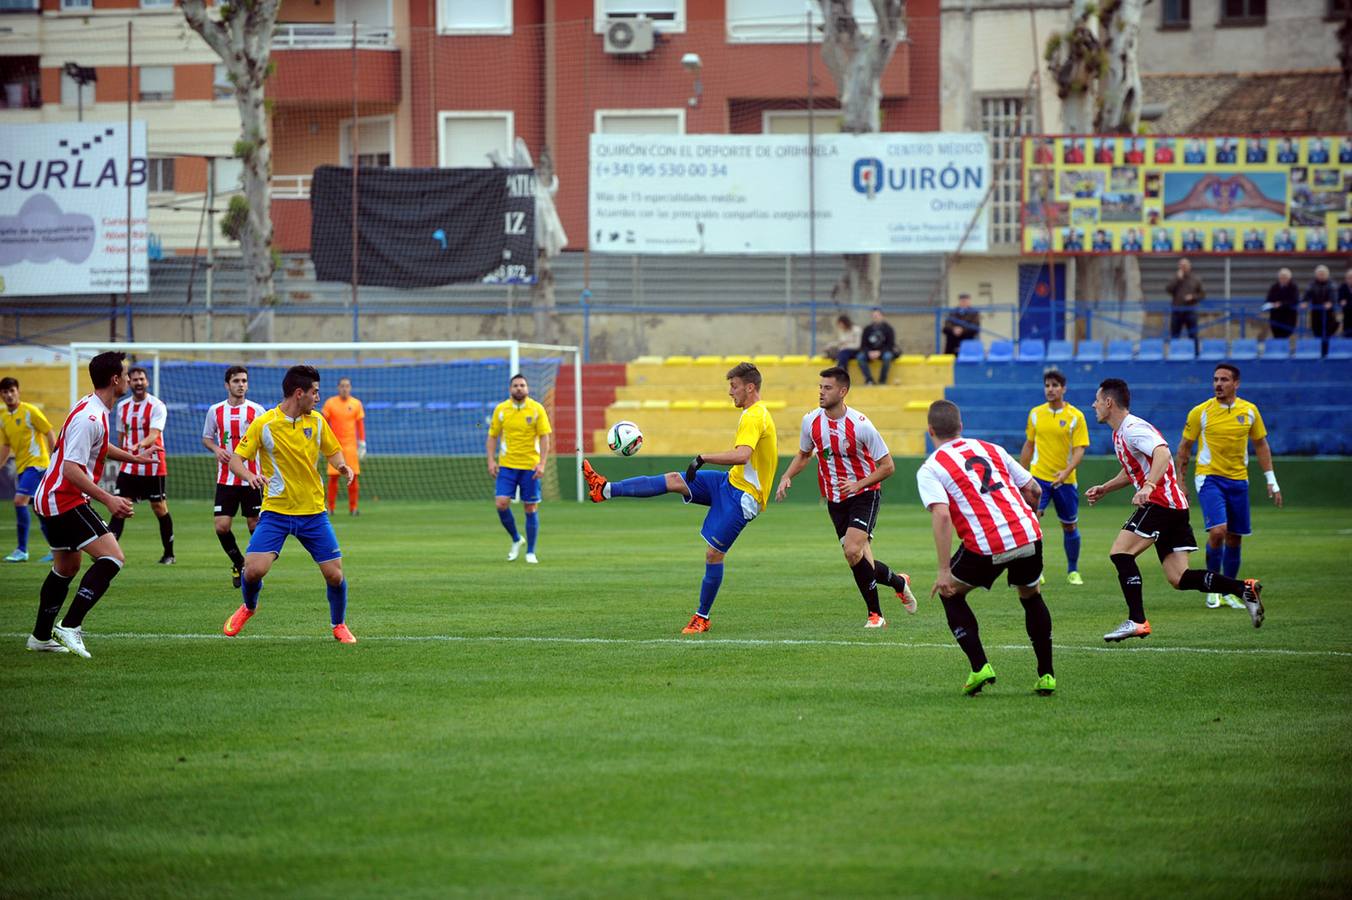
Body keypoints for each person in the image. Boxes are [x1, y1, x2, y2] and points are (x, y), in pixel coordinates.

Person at [581, 362, 777, 634]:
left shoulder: (754, 416)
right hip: (731, 482)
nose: (730, 392)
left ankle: (702, 617)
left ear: (750, 387)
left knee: (713, 554)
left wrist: (703, 457)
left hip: (745, 495)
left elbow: (743, 454)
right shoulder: (751, 414)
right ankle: (604, 489)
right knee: (675, 480)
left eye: (734, 387)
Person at [1084, 378, 1264, 642]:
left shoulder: (1133, 428)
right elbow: (1133, 468)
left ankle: (1137, 621)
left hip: (1161, 503)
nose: (1094, 405)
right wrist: (1106, 488)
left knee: (1120, 553)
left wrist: (1147, 486)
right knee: (1179, 578)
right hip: (1174, 507)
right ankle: (1242, 588)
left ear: (1109, 402)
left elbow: (1162, 453)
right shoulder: (1121, 433)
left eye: (1097, 401)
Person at [916, 400, 1053, 696]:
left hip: (987, 543)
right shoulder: (991, 449)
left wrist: (942, 571)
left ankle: (980, 667)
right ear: (961, 427)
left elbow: (941, 514)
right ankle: (1047, 676)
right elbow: (1034, 490)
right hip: (1028, 534)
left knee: (949, 592)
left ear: (930, 431)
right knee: (1031, 596)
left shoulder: (931, 467)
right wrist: (1027, 515)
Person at [28, 352, 156, 657]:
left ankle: (40, 637)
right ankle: (70, 626)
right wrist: (109, 498)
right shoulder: (90, 416)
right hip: (63, 499)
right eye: (125, 375)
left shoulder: (93, 407)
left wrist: (133, 457)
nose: (128, 379)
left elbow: (99, 445)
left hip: (52, 497)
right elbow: (72, 469)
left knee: (66, 568)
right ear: (115, 380)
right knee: (113, 558)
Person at [774, 367, 918, 628]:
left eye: (827, 388)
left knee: (853, 550)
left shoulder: (861, 426)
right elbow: (804, 454)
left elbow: (888, 466)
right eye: (820, 387)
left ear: (843, 391)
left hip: (864, 494)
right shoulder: (811, 421)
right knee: (859, 559)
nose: (821, 392)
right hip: (834, 499)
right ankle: (898, 582)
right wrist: (787, 476)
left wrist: (858, 483)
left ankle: (875, 615)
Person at [223, 365, 357, 643]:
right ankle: (248, 607)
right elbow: (236, 460)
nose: (318, 397)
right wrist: (249, 475)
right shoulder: (265, 424)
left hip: (313, 513)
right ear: (299, 393)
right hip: (277, 512)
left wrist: (342, 466)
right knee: (253, 570)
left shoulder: (318, 422)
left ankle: (339, 624)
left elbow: (333, 452)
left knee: (335, 575)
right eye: (315, 392)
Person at [1176, 364, 1281, 612]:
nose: (1218, 384)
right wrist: (1181, 481)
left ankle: (1230, 590)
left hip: (1239, 480)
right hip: (1209, 478)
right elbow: (1183, 448)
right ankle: (1212, 590)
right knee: (1218, 531)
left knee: (1235, 536)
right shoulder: (1200, 412)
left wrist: (1271, 480)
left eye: (1224, 380)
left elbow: (1261, 445)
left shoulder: (1250, 411)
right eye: (1215, 379)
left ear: (1236, 383)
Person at [1020, 370, 1089, 585]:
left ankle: (1073, 570)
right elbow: (1029, 445)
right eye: (1047, 385)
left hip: (1065, 481)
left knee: (1069, 526)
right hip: (1039, 477)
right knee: (1032, 522)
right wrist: (1021, 476)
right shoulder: (1035, 414)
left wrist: (1066, 472)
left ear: (1063, 389)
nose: (1050, 389)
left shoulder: (1076, 416)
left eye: (1055, 385)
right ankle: (1035, 570)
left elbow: (1079, 449)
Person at [201, 365, 266, 588]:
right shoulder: (215, 411)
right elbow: (207, 438)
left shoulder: (257, 411)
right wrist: (217, 449)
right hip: (226, 479)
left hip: (252, 478)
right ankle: (239, 562)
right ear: (227, 384)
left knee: (255, 526)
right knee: (221, 526)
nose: (241, 385)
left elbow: (267, 440)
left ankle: (253, 567)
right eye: (236, 381)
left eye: (244, 381)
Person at [108, 366, 174, 565]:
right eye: (134, 379)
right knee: (119, 507)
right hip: (129, 466)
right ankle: (108, 553)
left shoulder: (157, 405)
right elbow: (121, 435)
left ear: (147, 382)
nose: (138, 383)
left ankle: (169, 554)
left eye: (141, 379)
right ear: (128, 382)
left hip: (153, 465)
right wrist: (124, 453)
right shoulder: (123, 406)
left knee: (159, 508)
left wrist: (139, 445)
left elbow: (155, 434)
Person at [487, 373, 552, 564]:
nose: (519, 388)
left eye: (522, 385)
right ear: (510, 389)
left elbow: (545, 437)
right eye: (515, 385)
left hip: (530, 466)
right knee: (501, 503)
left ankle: (530, 552)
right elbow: (492, 436)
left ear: (527, 388)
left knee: (530, 507)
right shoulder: (501, 410)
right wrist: (491, 461)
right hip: (507, 465)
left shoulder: (537, 409)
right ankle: (516, 538)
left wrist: (542, 464)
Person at [0, 377, 54, 563]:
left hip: (37, 464)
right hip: (23, 467)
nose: (9, 395)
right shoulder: (3, 418)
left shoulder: (30, 411)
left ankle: (22, 550)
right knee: (40, 510)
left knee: (19, 501)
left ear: (18, 392)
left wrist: (54, 456)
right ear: (1, 395)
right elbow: (6, 446)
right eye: (5, 392)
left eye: (12, 391)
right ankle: (57, 549)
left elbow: (49, 431)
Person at [321, 377, 366, 516]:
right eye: (342, 386)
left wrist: (362, 443)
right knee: (333, 478)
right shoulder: (330, 403)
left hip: (351, 447)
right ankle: (331, 508)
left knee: (353, 478)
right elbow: (323, 423)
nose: (344, 388)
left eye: (347, 386)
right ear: (338, 387)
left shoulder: (356, 404)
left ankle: (353, 508)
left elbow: (360, 425)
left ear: (350, 388)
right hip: (335, 447)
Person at [1166, 258, 1205, 346]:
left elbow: (1202, 294)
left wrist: (1193, 297)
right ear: (1178, 267)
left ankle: (1195, 355)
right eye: (1181, 265)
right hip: (1177, 310)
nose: (1183, 267)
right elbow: (1168, 290)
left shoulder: (1196, 279)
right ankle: (1174, 355)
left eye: (1185, 265)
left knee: (1193, 335)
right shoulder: (1174, 278)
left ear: (1189, 267)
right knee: (1175, 334)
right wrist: (1177, 279)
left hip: (1190, 311)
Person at [857, 307, 897, 385]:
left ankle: (882, 380)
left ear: (882, 316)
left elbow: (890, 345)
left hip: (883, 352)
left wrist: (880, 352)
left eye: (877, 315)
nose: (875, 317)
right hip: (870, 352)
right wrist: (869, 352)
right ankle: (869, 380)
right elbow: (863, 345)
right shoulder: (867, 329)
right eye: (874, 316)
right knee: (860, 357)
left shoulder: (888, 329)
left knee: (887, 357)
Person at [1305, 265, 1338, 353]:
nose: (1321, 276)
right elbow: (1307, 295)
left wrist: (1330, 302)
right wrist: (1305, 302)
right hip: (1316, 314)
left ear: (1327, 274)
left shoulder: (1332, 284)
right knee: (1316, 333)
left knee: (1328, 334)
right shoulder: (1312, 284)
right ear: (1316, 275)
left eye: (1323, 274)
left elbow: (1334, 296)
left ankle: (1328, 352)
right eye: (1319, 274)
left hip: (1328, 315)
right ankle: (1317, 352)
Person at [1265, 268, 1300, 338]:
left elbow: (1294, 300)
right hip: (1275, 317)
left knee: (1286, 336)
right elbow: (1268, 299)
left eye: (1285, 278)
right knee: (1276, 336)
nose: (1283, 279)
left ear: (1289, 278)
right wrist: (1272, 304)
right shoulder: (1274, 287)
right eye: (1281, 278)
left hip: (1289, 317)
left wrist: (1281, 304)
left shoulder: (1293, 287)